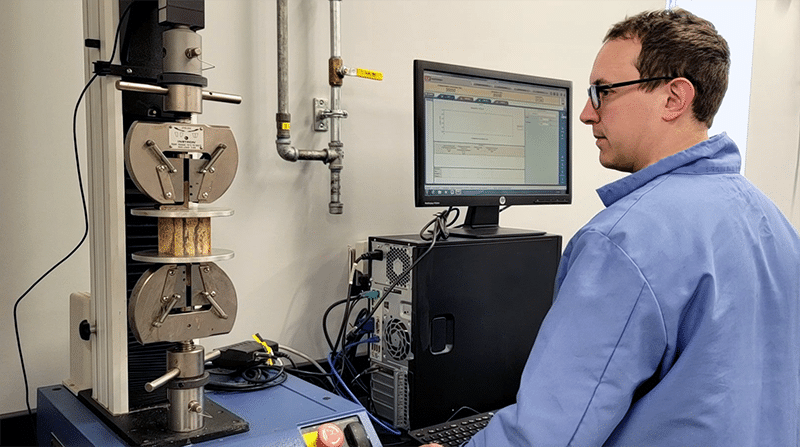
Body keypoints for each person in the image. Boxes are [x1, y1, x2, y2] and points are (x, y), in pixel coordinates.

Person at [423, 7, 800, 447]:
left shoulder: (624, 240)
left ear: (674, 98)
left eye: (603, 91)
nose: (586, 112)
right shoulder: (774, 222)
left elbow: (548, 437)